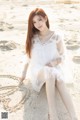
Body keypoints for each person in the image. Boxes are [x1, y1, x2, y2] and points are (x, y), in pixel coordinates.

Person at [19, 8, 78, 120]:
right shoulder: (33, 38)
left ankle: (74, 116)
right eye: (34, 22)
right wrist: (23, 74)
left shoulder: (56, 36)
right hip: (38, 71)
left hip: (54, 68)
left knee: (59, 80)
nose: (37, 24)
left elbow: (63, 56)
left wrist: (55, 62)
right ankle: (53, 114)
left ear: (45, 18)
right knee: (49, 72)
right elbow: (28, 57)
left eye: (40, 20)